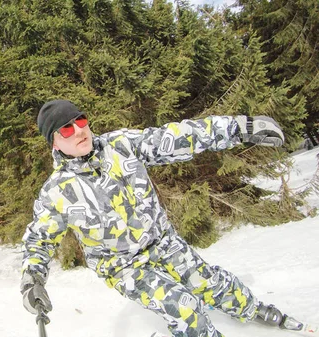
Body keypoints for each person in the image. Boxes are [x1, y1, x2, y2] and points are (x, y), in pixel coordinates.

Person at [20, 99, 302, 337]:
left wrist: (239, 128)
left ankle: (254, 310)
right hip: (122, 266)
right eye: (67, 129)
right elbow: (38, 240)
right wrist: (33, 281)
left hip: (162, 241)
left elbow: (179, 137)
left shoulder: (121, 145)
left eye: (81, 121)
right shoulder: (56, 192)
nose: (79, 131)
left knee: (211, 282)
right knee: (185, 308)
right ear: (54, 142)